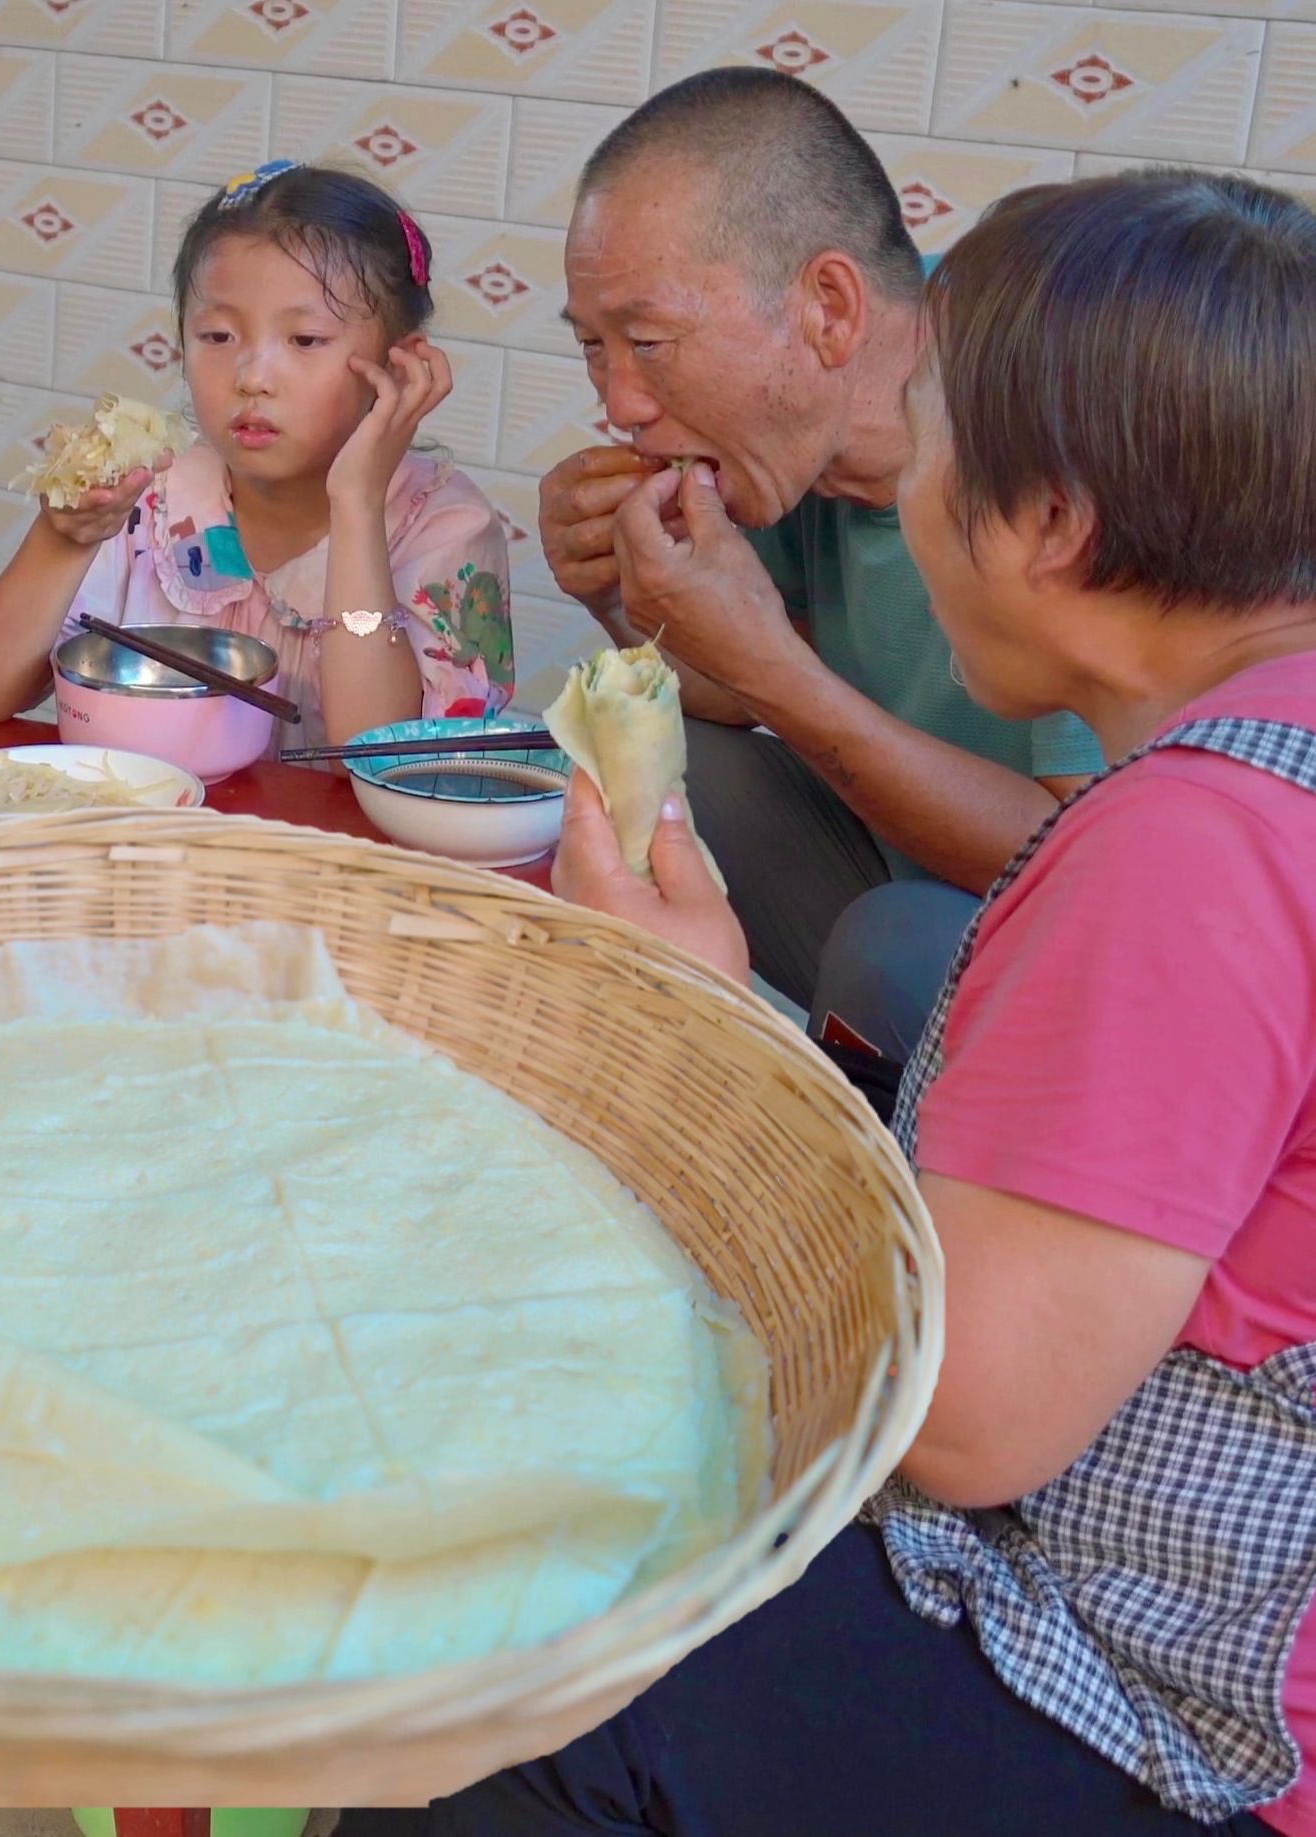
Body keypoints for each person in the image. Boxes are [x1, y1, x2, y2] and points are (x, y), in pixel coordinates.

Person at [355, 167, 1316, 1837]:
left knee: (513, 1621)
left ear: (1049, 525)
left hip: (1183, 1718)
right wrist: (730, 998)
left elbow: (961, 1427)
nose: (898, 490)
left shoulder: (1186, 849)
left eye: (926, 445)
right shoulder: (1266, 747)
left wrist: (688, 1048)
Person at [541, 69, 1104, 1057]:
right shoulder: (797, 448)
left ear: (828, 308)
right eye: (594, 345)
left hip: (1088, 940)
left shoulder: (1047, 428)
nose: (619, 404)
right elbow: (731, 689)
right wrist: (616, 596)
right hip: (884, 859)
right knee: (647, 769)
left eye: (649, 339)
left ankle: (875, 1171)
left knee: (895, 947)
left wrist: (769, 668)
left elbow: (1068, 857)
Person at [0, 159, 513, 748]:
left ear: (399, 367)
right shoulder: (153, 499)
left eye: (305, 340)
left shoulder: (447, 528)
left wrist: (357, 504)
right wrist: (63, 535)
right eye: (217, 336)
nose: (251, 377)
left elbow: (370, 755)